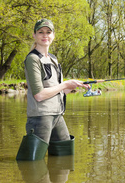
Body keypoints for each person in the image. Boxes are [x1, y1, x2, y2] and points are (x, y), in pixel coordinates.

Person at [16, 18, 89, 161]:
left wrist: (73, 86)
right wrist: (66, 84)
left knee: (65, 158)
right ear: (34, 35)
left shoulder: (53, 59)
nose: (45, 35)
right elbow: (39, 95)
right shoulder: (32, 59)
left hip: (57, 116)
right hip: (40, 118)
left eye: (48, 32)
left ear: (53, 35)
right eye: (41, 32)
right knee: (32, 163)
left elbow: (58, 92)